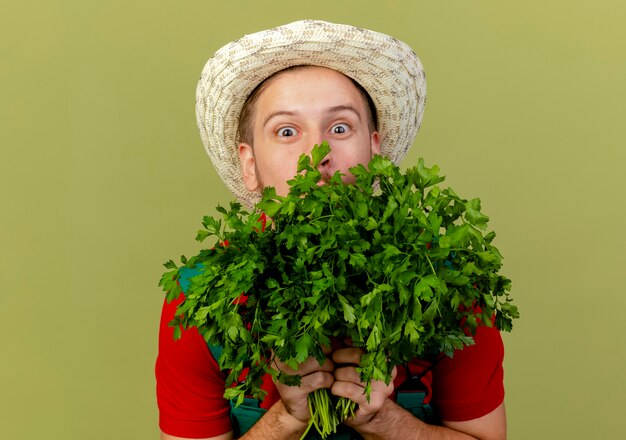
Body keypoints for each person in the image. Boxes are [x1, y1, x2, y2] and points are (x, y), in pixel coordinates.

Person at [156, 20, 507, 440]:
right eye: (286, 132)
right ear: (250, 165)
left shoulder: (446, 279)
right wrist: (285, 419)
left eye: (340, 128)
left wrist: (384, 420)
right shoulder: (201, 296)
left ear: (374, 149)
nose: (317, 154)